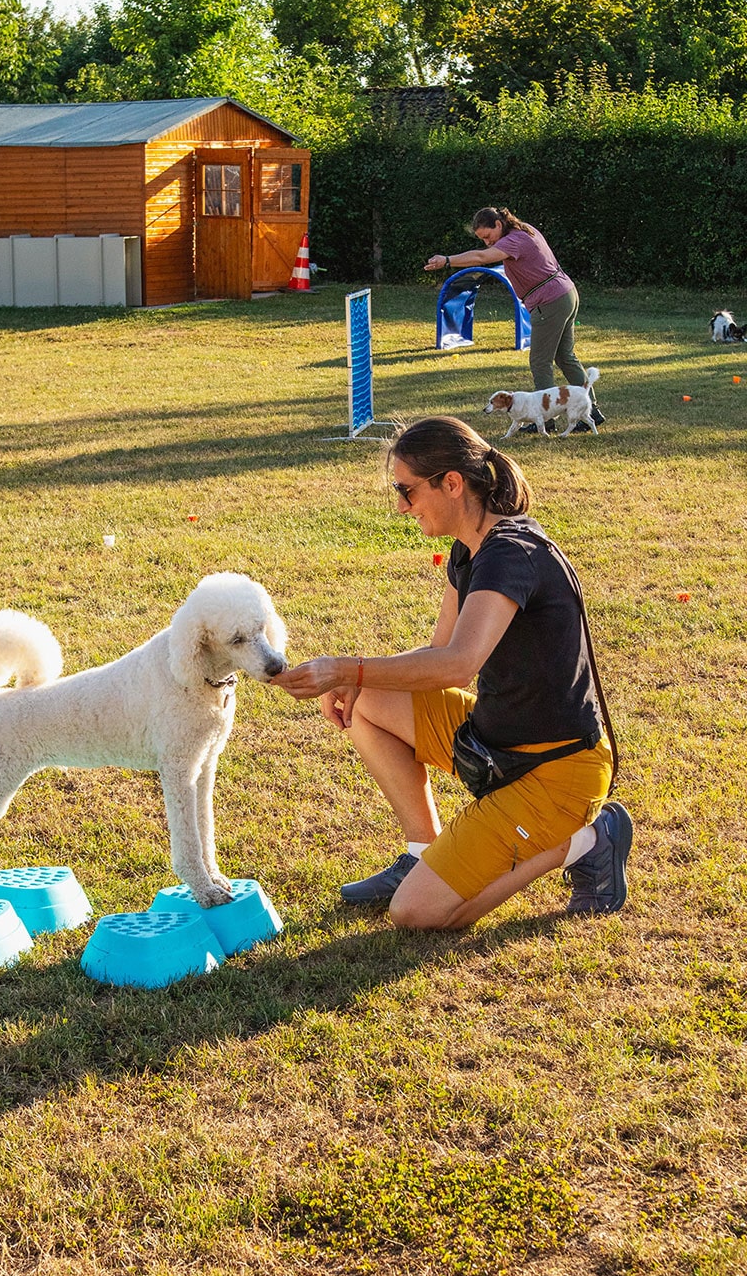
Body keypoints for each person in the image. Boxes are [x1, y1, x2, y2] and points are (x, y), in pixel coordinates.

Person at [270, 415, 632, 930]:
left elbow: (460, 663)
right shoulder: (470, 550)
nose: (401, 505)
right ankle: (422, 851)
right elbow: (442, 658)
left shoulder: (511, 553)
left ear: (452, 483)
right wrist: (358, 679)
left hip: (557, 771)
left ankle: (588, 842)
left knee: (415, 914)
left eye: (407, 490)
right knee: (366, 700)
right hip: (497, 742)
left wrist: (348, 667)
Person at [425, 205, 605, 432]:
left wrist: (447, 260)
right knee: (565, 356)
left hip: (549, 302)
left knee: (540, 362)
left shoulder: (514, 240)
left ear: (498, 224)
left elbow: (481, 257)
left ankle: (546, 420)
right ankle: (591, 412)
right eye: (482, 239)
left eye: (488, 236)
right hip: (565, 294)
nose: (487, 242)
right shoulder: (524, 230)